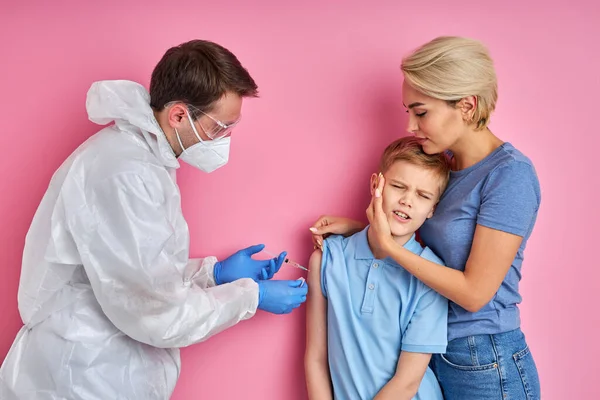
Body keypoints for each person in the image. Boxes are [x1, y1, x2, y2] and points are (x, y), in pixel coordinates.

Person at [0, 39, 308, 400]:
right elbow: (155, 309)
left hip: (100, 363)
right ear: (179, 115)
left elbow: (136, 272)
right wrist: (249, 297)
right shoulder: (125, 174)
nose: (224, 139)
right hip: (82, 373)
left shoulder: (144, 159)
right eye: (217, 128)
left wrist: (213, 274)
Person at [310, 36, 541, 400]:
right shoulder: (444, 168)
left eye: (421, 112)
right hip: (438, 352)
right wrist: (364, 230)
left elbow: (474, 293)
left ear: (466, 106)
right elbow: (436, 242)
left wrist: (388, 247)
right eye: (408, 112)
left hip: (488, 359)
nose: (411, 125)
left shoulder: (510, 176)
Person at [305, 137, 450, 400]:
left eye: (422, 195)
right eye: (398, 186)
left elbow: (407, 382)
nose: (407, 201)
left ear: (432, 209)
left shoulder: (432, 277)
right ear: (376, 185)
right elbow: (316, 357)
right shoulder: (328, 260)